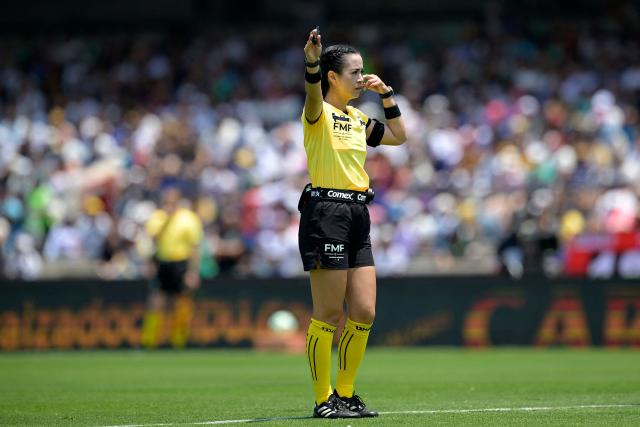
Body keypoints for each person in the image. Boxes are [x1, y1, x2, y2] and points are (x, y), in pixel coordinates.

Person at [299, 27, 407, 418]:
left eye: (363, 71)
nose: (362, 78)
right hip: (326, 212)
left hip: (358, 213)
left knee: (363, 312)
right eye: (354, 72)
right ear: (333, 77)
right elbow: (313, 93)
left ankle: (345, 393)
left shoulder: (359, 118)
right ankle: (322, 399)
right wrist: (312, 61)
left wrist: (387, 96)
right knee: (328, 314)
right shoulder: (317, 113)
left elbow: (398, 136)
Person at [141, 186, 203, 349]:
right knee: (157, 301)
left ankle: (178, 342)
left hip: (181, 262)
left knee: (182, 302)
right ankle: (149, 342)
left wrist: (192, 271)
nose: (169, 204)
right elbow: (152, 241)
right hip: (163, 262)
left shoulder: (188, 218)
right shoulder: (157, 218)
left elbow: (194, 247)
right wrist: (150, 263)